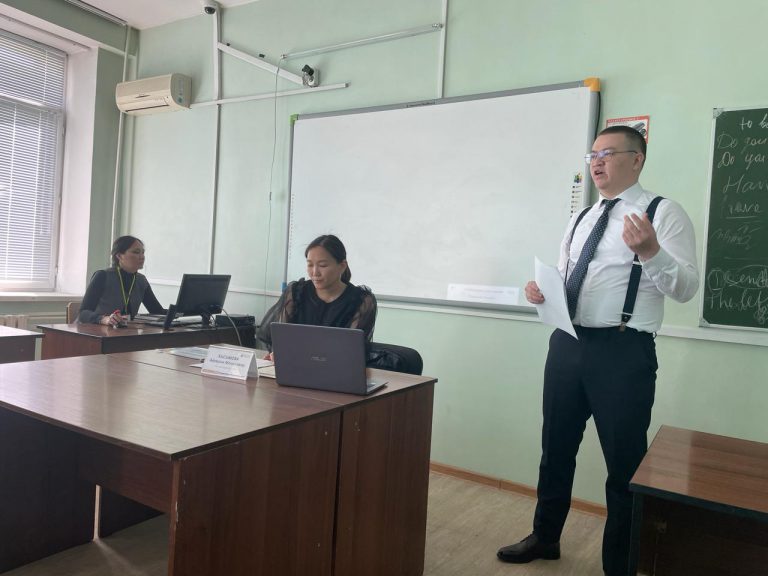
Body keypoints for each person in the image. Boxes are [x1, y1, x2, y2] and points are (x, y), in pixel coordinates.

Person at [496, 126, 699, 576]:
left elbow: (686, 288)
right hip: (567, 344)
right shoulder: (582, 217)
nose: (597, 162)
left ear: (637, 159)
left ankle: (619, 564)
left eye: (608, 153)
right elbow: (569, 277)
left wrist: (652, 252)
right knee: (555, 448)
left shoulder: (663, 213)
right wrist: (541, 293)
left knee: (624, 464)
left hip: (623, 351)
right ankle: (545, 536)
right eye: (593, 155)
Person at [257, 234, 377, 358]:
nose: (315, 272)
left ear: (342, 266)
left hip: (336, 367)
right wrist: (277, 353)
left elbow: (350, 351)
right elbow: (280, 337)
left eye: (322, 265)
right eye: (310, 265)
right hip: (295, 364)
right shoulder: (296, 292)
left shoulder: (361, 301)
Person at [78, 235, 166, 326]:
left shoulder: (141, 280)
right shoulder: (102, 276)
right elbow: (83, 313)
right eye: (136, 252)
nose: (142, 257)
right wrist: (104, 319)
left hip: (122, 332)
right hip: (95, 330)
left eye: (143, 252)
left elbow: (157, 311)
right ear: (119, 256)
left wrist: (175, 312)